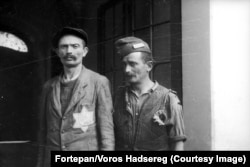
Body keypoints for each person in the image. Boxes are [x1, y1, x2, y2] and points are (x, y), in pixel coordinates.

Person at [37, 27, 114, 167]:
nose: (69, 51)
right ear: (57, 52)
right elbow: (43, 132)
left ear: (84, 51)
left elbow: (106, 131)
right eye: (64, 47)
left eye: (75, 46)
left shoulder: (99, 82)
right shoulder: (48, 86)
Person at [113, 36, 186, 151]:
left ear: (149, 66)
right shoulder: (117, 97)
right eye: (124, 64)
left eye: (132, 64)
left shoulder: (168, 98)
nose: (126, 70)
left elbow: (177, 143)